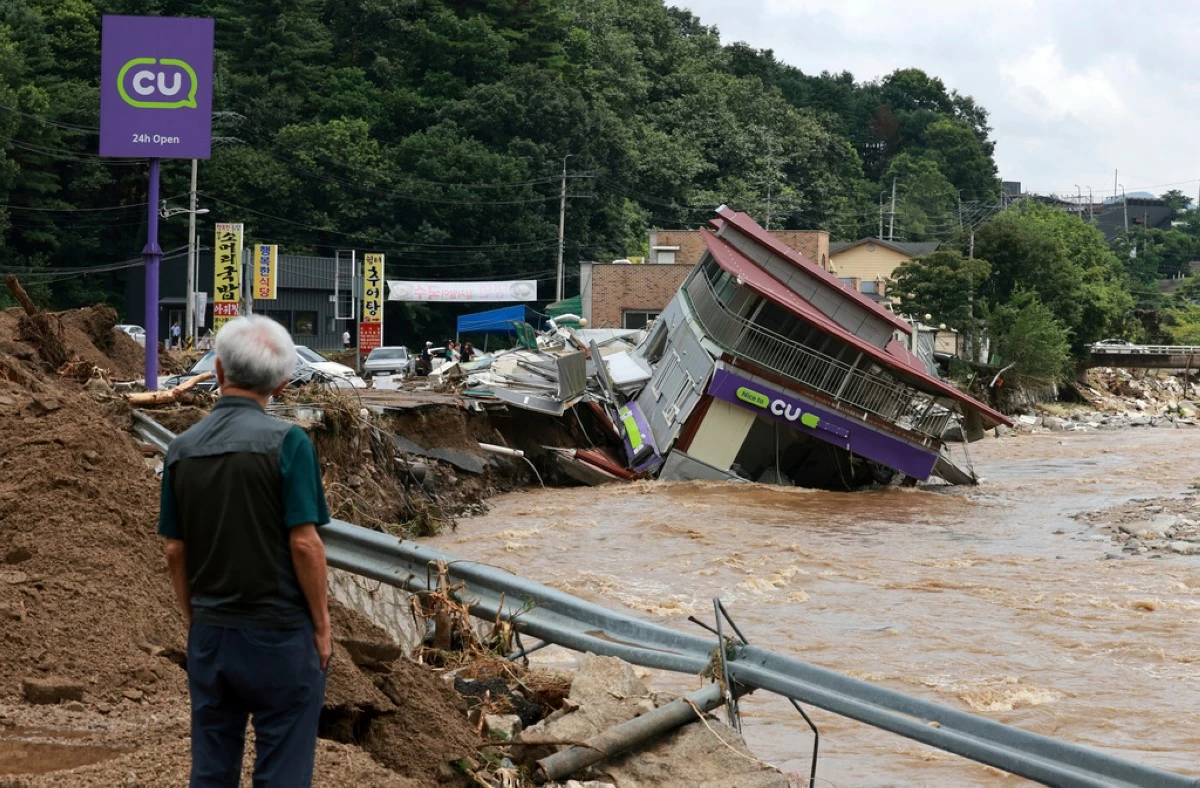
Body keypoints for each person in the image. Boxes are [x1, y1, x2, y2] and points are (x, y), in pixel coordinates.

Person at [158, 315, 332, 787]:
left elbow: (176, 549)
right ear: (281, 381)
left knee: (212, 767)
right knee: (283, 768)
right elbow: (305, 543)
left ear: (217, 371)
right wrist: (321, 628)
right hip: (280, 634)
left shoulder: (181, 449)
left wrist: (195, 618)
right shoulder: (289, 443)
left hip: (212, 634)